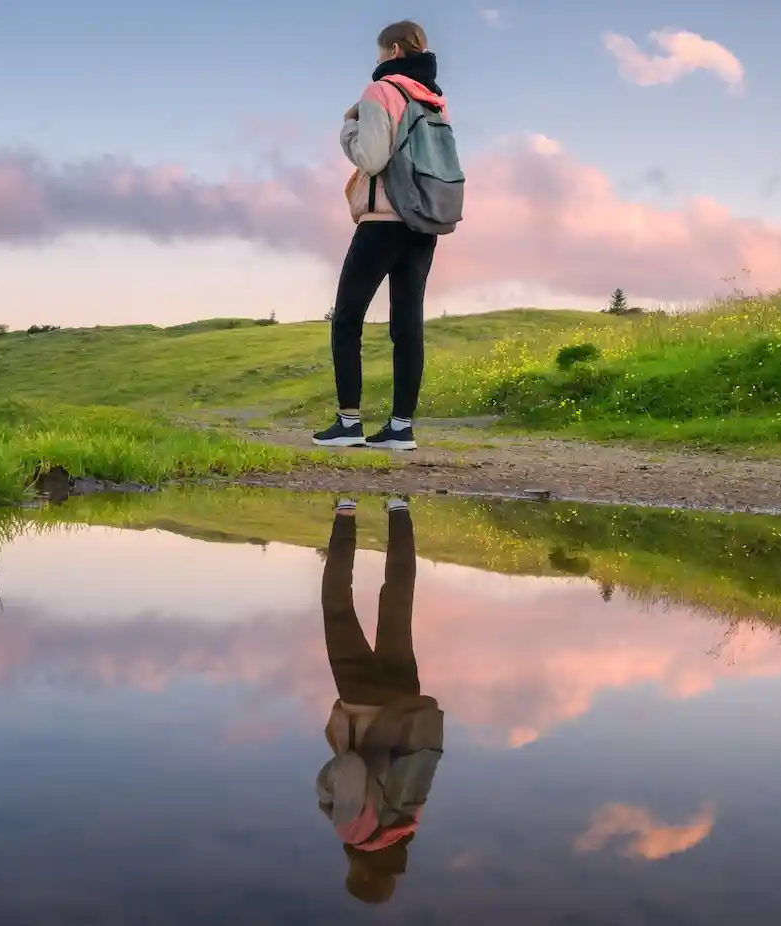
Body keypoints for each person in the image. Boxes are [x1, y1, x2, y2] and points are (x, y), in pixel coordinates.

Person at [311, 20, 450, 453]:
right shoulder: (436, 101)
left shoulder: (381, 91)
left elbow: (371, 159)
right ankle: (400, 428)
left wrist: (349, 128)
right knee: (407, 324)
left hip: (384, 220)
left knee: (347, 318)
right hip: (425, 221)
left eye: (377, 54)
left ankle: (349, 422)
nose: (376, 62)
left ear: (392, 50)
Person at [314, 497, 443, 905]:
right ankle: (346, 512)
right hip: (362, 703)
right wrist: (325, 791)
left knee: (397, 604)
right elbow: (349, 766)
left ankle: (399, 509)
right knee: (337, 606)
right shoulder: (356, 832)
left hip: (405, 702)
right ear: (359, 872)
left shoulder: (408, 822)